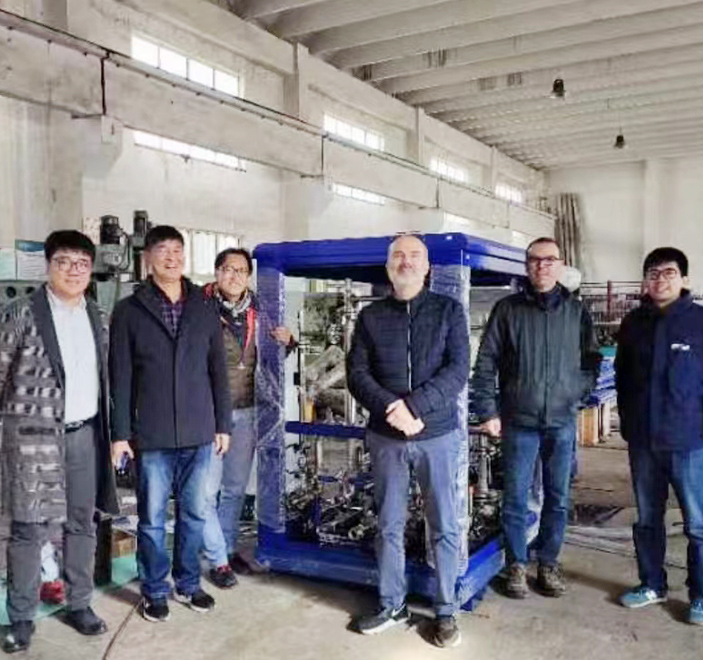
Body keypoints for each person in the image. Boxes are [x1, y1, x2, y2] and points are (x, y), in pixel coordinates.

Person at [347, 234, 469, 649]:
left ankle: (446, 610)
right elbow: (357, 373)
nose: (406, 261)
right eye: (398, 255)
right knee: (388, 524)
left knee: (445, 525)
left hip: (437, 436)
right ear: (388, 267)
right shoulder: (371, 317)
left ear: (427, 266)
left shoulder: (449, 311)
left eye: (415, 255)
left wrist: (414, 407)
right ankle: (391, 604)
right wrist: (391, 408)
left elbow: (458, 370)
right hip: (387, 437)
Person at [0, 230, 118, 653]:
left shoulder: (97, 316)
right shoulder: (20, 313)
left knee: (82, 523)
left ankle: (79, 603)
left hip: (84, 435)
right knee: (29, 529)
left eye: (82, 263)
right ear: (48, 266)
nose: (73, 270)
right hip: (31, 441)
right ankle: (21, 617)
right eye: (64, 261)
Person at [109, 225, 231, 623]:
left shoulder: (204, 306)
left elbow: (218, 370)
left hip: (199, 431)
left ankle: (189, 584)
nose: (172, 257)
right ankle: (154, 590)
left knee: (194, 514)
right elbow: (120, 376)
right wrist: (121, 434)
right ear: (148, 257)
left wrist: (223, 424)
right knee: (151, 521)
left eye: (178, 250)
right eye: (163, 250)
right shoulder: (130, 310)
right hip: (153, 435)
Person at [472, 237, 600, 599]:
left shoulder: (576, 312)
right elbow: (486, 362)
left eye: (549, 260)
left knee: (557, 497)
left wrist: (575, 393)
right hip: (519, 421)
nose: (542, 266)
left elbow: (591, 361)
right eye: (535, 260)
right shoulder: (507, 310)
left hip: (561, 422)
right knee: (515, 496)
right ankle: (516, 563)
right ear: (527, 266)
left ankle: (548, 562)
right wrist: (488, 410)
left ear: (560, 265)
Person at [615, 247, 703, 625]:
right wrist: (629, 423)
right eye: (653, 273)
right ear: (645, 282)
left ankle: (700, 596)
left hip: (689, 442)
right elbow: (622, 377)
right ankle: (652, 584)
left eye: (668, 272)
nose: (660, 279)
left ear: (684, 279)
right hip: (643, 442)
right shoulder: (634, 323)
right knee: (648, 518)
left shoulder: (699, 322)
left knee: (697, 523)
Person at [201, 247, 296, 587]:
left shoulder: (260, 310)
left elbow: (273, 352)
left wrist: (290, 341)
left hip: (247, 410)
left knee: (234, 488)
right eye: (228, 269)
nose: (234, 276)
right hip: (209, 413)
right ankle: (216, 557)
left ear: (248, 276)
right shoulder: (199, 308)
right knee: (205, 492)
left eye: (241, 271)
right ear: (217, 272)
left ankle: (225, 550)